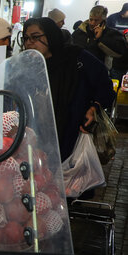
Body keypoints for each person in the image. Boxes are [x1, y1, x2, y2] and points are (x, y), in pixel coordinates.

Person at [22, 17, 115, 161]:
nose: (29, 42)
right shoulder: (29, 64)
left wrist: (94, 108)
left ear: (51, 35)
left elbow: (104, 84)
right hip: (39, 134)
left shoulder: (76, 58)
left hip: (71, 132)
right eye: (26, 38)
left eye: (35, 37)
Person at [72, 6, 126, 70]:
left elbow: (120, 52)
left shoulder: (111, 34)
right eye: (91, 19)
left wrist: (100, 38)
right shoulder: (79, 32)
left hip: (100, 70)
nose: (92, 23)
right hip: (79, 69)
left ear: (103, 21)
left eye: (96, 20)